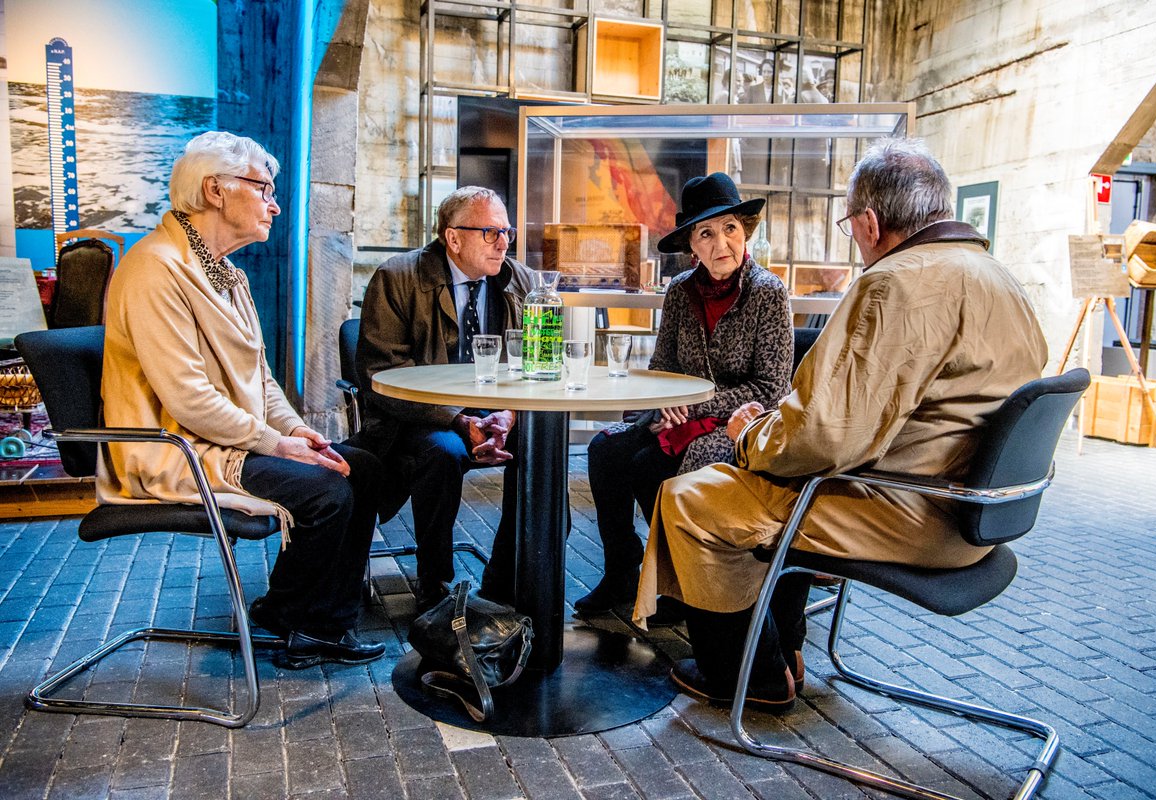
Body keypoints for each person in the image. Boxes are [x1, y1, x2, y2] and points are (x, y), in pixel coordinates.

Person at [633, 138, 1048, 712]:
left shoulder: (893, 285)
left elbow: (823, 439)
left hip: (908, 512)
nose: (852, 237)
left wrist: (748, 435)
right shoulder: (999, 277)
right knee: (759, 485)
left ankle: (751, 676)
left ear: (871, 223)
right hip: (978, 513)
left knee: (692, 498)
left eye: (849, 224)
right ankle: (784, 649)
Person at [99, 131, 385, 669]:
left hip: (225, 437)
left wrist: (296, 430)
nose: (275, 205)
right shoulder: (156, 268)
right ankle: (302, 620)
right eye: (264, 190)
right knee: (326, 490)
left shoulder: (225, 272)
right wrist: (274, 442)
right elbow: (187, 399)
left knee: (361, 467)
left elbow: (262, 377)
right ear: (215, 190)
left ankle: (307, 615)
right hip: (176, 448)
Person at [576, 172, 793, 616]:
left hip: (740, 426)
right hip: (677, 418)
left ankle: (682, 583)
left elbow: (770, 390)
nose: (721, 244)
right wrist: (663, 402)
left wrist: (694, 402)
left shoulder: (768, 293)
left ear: (744, 232)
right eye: (706, 233)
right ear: (691, 245)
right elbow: (662, 367)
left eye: (730, 228)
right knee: (604, 449)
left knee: (650, 467)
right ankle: (621, 571)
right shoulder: (679, 291)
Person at [351, 186, 537, 611]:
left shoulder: (521, 282)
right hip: (420, 420)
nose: (504, 243)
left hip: (498, 412)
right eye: (491, 233)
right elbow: (383, 373)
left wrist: (508, 415)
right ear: (453, 238)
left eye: (506, 231)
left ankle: (505, 583)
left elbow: (539, 366)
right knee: (443, 452)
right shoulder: (398, 278)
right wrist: (459, 420)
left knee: (540, 450)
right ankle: (434, 585)